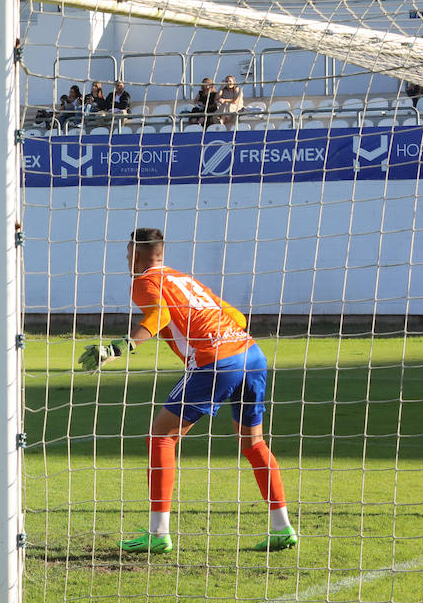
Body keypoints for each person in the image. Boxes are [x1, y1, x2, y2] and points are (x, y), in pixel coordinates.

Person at [79, 228, 298, 554]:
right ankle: (282, 528)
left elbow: (159, 315)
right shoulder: (184, 279)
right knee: (254, 443)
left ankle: (158, 533)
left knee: (161, 437)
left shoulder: (144, 281)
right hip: (251, 353)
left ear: (137, 253)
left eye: (127, 252)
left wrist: (117, 348)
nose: (126, 258)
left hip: (216, 361)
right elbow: (235, 315)